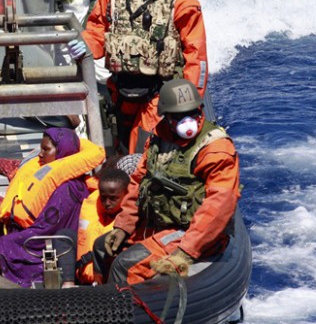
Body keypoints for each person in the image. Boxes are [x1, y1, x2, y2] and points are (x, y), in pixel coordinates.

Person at [70, 0, 209, 154]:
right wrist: (85, 45)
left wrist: (191, 101)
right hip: (122, 90)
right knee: (121, 142)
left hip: (161, 93)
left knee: (142, 146)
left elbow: (196, 56)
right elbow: (97, 30)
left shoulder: (182, 3)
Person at [93, 79, 240, 285]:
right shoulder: (159, 137)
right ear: (167, 116)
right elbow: (139, 182)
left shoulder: (215, 149)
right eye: (179, 116)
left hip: (190, 232)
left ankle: (125, 311)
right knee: (102, 248)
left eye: (192, 113)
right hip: (159, 224)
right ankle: (100, 298)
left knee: (126, 265)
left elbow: (219, 205)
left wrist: (186, 252)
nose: (187, 121)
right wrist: (123, 226)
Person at [0, 128, 105, 287]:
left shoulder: (66, 191)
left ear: (63, 152)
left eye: (46, 149)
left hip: (40, 253)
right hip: (22, 235)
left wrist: (1, 243)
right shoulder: (49, 173)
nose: (40, 154)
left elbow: (42, 232)